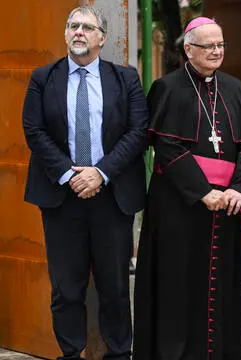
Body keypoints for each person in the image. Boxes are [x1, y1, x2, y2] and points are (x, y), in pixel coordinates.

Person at [133, 17, 241, 360]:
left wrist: (238, 190)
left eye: (221, 45)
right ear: (189, 50)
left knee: (221, 285)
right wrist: (203, 192)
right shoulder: (168, 88)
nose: (217, 51)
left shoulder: (234, 88)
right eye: (209, 46)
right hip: (180, 206)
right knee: (178, 283)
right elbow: (167, 146)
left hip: (227, 208)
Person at [21, 6, 148, 360]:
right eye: (73, 26)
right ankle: (70, 353)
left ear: (101, 38)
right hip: (62, 197)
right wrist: (70, 173)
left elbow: (137, 132)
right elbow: (34, 130)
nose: (79, 32)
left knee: (115, 286)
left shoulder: (125, 79)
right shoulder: (43, 78)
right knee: (67, 289)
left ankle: (120, 354)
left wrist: (100, 172)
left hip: (112, 196)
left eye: (87, 27)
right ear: (65, 35)